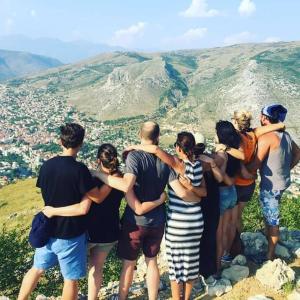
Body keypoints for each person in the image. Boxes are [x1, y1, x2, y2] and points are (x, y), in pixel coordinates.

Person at [93, 122, 203, 300]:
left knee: (129, 264)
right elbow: (182, 192)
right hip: (157, 221)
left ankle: (122, 298)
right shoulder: (165, 160)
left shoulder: (134, 158)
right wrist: (197, 198)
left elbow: (126, 185)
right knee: (152, 262)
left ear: (139, 135)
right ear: (158, 137)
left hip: (134, 222)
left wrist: (98, 174)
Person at [43, 143, 166, 300]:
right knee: (97, 268)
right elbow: (134, 202)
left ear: (98, 160)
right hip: (109, 232)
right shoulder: (121, 181)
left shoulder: (91, 179)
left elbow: (86, 201)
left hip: (88, 232)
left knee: (73, 274)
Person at [18, 123, 106, 300]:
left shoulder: (47, 166)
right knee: (70, 280)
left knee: (36, 269)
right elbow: (96, 198)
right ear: (81, 144)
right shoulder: (79, 170)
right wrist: (90, 188)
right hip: (70, 234)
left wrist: (53, 209)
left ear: (60, 141)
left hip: (47, 230)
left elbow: (48, 194)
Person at [126, 131, 207, 300]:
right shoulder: (199, 166)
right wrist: (192, 188)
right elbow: (204, 193)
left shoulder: (177, 164)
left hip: (178, 222)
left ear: (178, 147)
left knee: (176, 265)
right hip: (196, 221)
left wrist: (135, 147)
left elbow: (155, 149)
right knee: (191, 263)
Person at [247, 104, 300, 261]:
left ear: (264, 118)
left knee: (272, 219)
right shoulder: (287, 136)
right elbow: (298, 153)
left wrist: (240, 169)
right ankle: (269, 241)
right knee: (270, 214)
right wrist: (287, 168)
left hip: (271, 185)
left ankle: (270, 256)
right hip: (282, 182)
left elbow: (255, 164)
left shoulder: (267, 138)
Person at [230, 111, 285, 236]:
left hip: (238, 182)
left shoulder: (236, 137)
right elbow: (280, 125)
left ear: (235, 121)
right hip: (249, 184)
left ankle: (235, 248)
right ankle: (237, 246)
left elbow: (240, 162)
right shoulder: (255, 132)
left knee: (234, 219)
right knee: (239, 216)